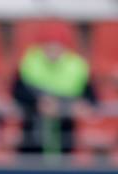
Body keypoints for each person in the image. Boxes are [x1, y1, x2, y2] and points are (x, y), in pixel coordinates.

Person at [12, 27, 96, 155]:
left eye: (57, 46)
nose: (53, 51)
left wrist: (80, 106)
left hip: (64, 127)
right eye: (49, 46)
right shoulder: (30, 61)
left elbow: (91, 97)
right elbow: (17, 91)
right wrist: (38, 103)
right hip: (35, 125)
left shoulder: (77, 66)